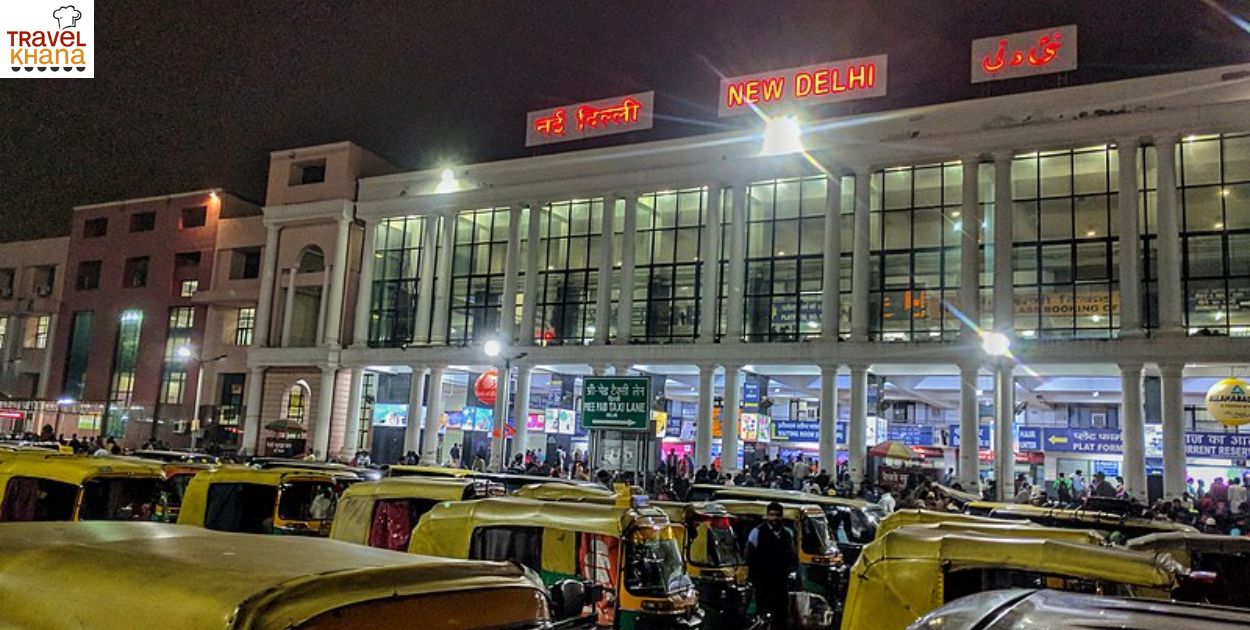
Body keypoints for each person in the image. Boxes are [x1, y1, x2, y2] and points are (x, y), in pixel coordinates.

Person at [745, 502, 798, 629]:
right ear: (767, 515)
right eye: (772, 515)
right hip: (762, 582)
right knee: (762, 613)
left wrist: (791, 572)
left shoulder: (787, 534)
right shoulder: (756, 532)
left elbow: (792, 556)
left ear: (781, 516)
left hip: (781, 581)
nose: (774, 518)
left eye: (777, 515)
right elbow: (749, 557)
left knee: (780, 614)